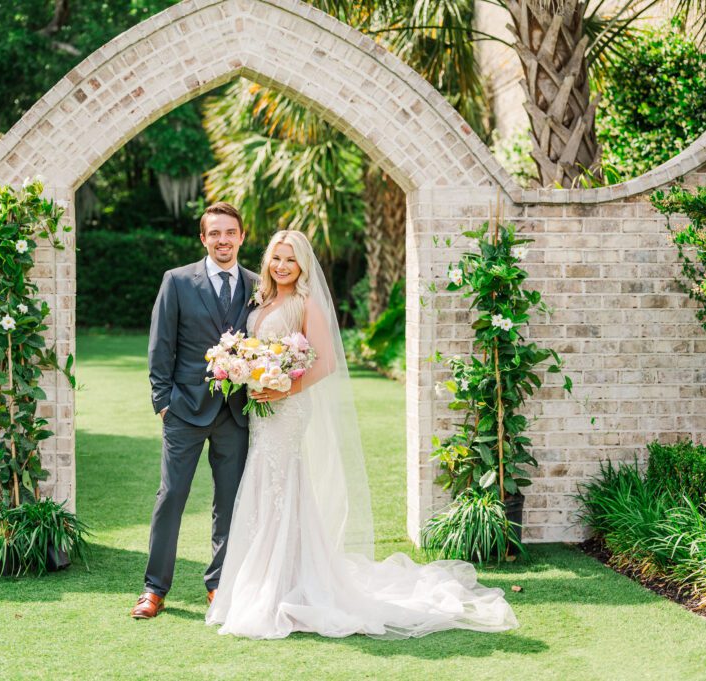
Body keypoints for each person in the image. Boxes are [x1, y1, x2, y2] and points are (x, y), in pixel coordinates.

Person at [205, 230, 518, 639]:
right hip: (262, 413)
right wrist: (245, 368)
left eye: (290, 260)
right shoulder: (261, 301)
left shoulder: (306, 303)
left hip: (288, 408)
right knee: (265, 485)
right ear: (267, 261)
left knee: (281, 483)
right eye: (276, 258)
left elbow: (327, 361)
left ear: (302, 266)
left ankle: (283, 585)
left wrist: (284, 386)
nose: (281, 266)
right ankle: (270, 580)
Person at [131, 202, 260, 619]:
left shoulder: (259, 286)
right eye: (215, 234)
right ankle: (154, 589)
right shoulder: (177, 281)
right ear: (203, 239)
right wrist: (162, 403)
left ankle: (219, 585)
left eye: (230, 233)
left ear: (242, 236)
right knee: (171, 496)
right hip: (184, 410)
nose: (223, 240)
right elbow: (160, 344)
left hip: (236, 414)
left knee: (230, 502)